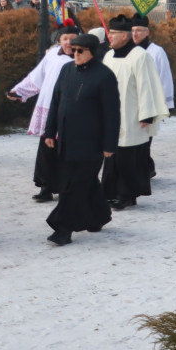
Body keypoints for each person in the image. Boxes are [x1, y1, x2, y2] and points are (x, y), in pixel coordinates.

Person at [43, 33, 120, 245]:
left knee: (73, 187)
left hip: (92, 144)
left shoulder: (104, 76)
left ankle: (62, 228)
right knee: (85, 183)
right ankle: (99, 216)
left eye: (80, 51)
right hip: (67, 140)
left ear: (92, 53)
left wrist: (109, 145)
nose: (74, 54)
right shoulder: (66, 70)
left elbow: (112, 114)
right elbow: (56, 102)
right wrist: (50, 131)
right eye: (73, 50)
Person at [102, 15, 169, 210]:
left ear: (124, 36)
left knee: (127, 157)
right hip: (111, 114)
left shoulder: (140, 56)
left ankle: (127, 194)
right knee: (110, 154)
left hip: (132, 114)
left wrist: (147, 114)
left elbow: (147, 86)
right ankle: (109, 192)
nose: (110, 37)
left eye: (113, 34)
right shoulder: (108, 56)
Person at [8, 24, 79, 202]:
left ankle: (65, 187)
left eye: (72, 39)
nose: (69, 43)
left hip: (68, 112)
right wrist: (20, 91)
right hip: (48, 108)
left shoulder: (81, 59)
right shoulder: (53, 55)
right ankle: (45, 187)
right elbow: (37, 76)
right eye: (65, 39)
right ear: (59, 40)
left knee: (65, 152)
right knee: (46, 150)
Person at [131, 13, 174, 178]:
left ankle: (144, 169)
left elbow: (164, 78)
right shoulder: (127, 51)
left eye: (139, 30)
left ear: (147, 32)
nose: (135, 34)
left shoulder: (157, 52)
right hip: (130, 104)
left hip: (148, 105)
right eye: (133, 30)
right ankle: (144, 167)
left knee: (144, 140)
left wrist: (163, 106)